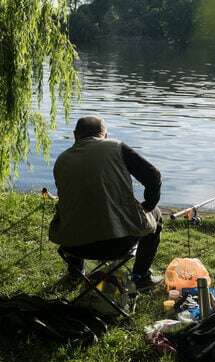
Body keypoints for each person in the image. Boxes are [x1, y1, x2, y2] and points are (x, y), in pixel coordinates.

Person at [50, 115, 163, 292]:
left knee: (72, 209)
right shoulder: (115, 147)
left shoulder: (62, 160)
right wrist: (147, 205)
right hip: (118, 245)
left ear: (75, 135)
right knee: (156, 213)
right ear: (105, 134)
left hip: (73, 247)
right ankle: (141, 277)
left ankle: (75, 274)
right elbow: (153, 176)